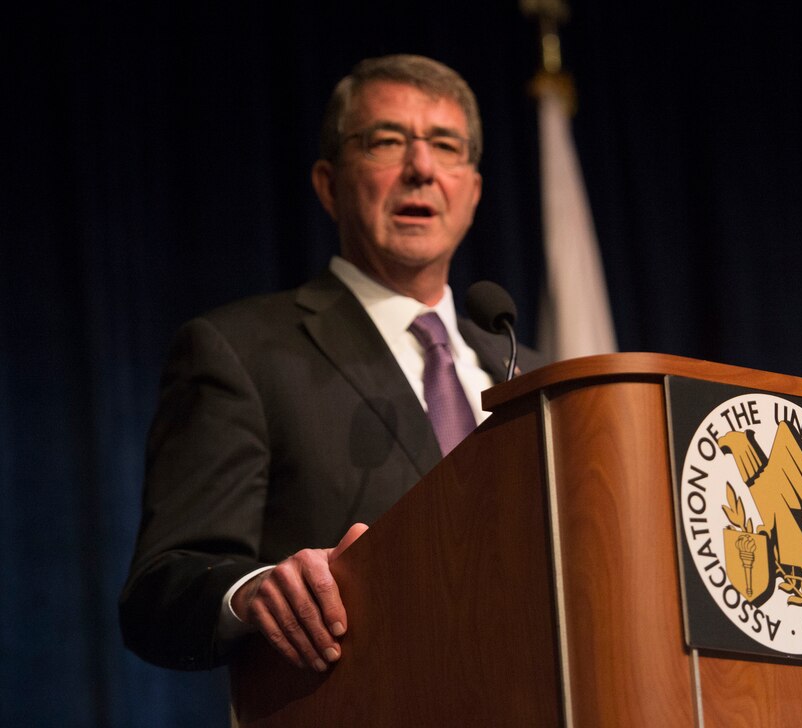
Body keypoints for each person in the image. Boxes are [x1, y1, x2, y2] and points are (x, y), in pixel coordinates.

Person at [119, 54, 546, 675]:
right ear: (328, 183)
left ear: (473, 191)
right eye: (387, 142)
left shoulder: (533, 376)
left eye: (445, 146)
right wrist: (257, 590)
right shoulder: (239, 349)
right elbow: (161, 591)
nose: (421, 169)